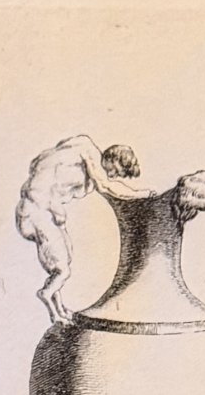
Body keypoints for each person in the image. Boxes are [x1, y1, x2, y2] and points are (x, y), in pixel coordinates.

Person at [14, 134, 144, 324]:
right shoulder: (88, 153)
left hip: (42, 212)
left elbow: (38, 163)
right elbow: (106, 186)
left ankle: (59, 309)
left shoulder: (79, 145)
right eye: (115, 170)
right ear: (111, 158)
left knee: (63, 262)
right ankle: (47, 298)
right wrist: (140, 194)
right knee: (62, 270)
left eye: (117, 175)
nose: (112, 176)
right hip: (36, 211)